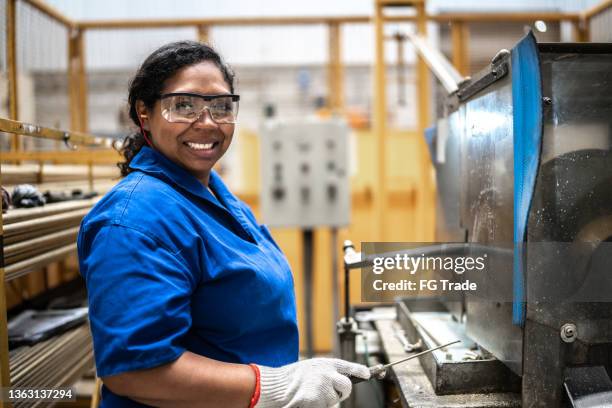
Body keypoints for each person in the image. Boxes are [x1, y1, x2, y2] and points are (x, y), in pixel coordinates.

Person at [77, 41, 369, 408]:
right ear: (144, 113)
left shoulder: (214, 196)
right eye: (183, 106)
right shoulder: (133, 220)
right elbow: (134, 369)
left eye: (221, 107)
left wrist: (291, 380)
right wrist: (276, 386)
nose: (207, 123)